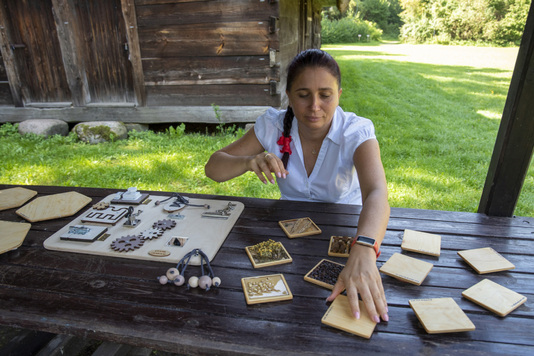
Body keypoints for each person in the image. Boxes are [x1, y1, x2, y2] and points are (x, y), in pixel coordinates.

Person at [205, 49, 390, 323]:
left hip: (348, 234)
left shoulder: (356, 131)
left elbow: (376, 192)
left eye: (325, 95)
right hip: (287, 237)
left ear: (339, 94)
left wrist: (364, 248)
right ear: (289, 96)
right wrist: (248, 161)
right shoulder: (273, 125)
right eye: (303, 95)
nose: (314, 106)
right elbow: (214, 168)